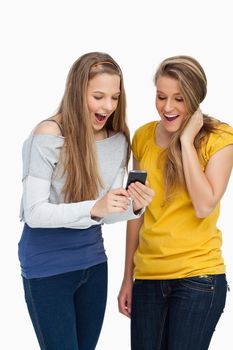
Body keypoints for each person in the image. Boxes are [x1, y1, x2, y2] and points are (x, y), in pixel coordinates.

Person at [18, 51, 154, 350]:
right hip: (46, 265)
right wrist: (95, 206)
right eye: (98, 96)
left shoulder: (117, 139)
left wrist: (133, 206)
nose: (108, 106)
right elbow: (34, 212)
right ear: (77, 91)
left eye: (115, 97)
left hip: (93, 264)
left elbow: (103, 213)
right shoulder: (48, 134)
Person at [118, 55, 233, 350]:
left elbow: (204, 205)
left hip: (198, 277)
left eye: (179, 99)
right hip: (147, 277)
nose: (167, 108)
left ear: (194, 99)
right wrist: (127, 278)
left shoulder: (219, 139)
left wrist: (185, 142)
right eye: (161, 97)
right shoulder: (143, 136)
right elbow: (136, 213)